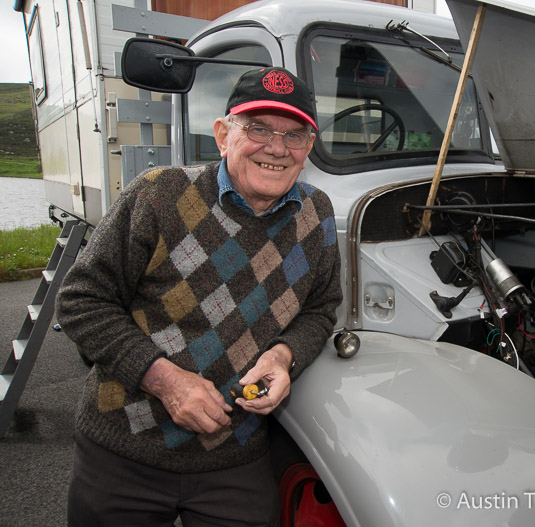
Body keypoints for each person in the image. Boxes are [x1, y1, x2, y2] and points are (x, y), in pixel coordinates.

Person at [56, 67, 343, 526]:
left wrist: (285, 356)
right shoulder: (159, 194)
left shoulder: (317, 214)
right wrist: (164, 381)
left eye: (294, 135)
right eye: (258, 128)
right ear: (223, 135)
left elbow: (320, 309)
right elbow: (80, 300)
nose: (276, 148)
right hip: (125, 452)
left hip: (237, 457)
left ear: (308, 149)